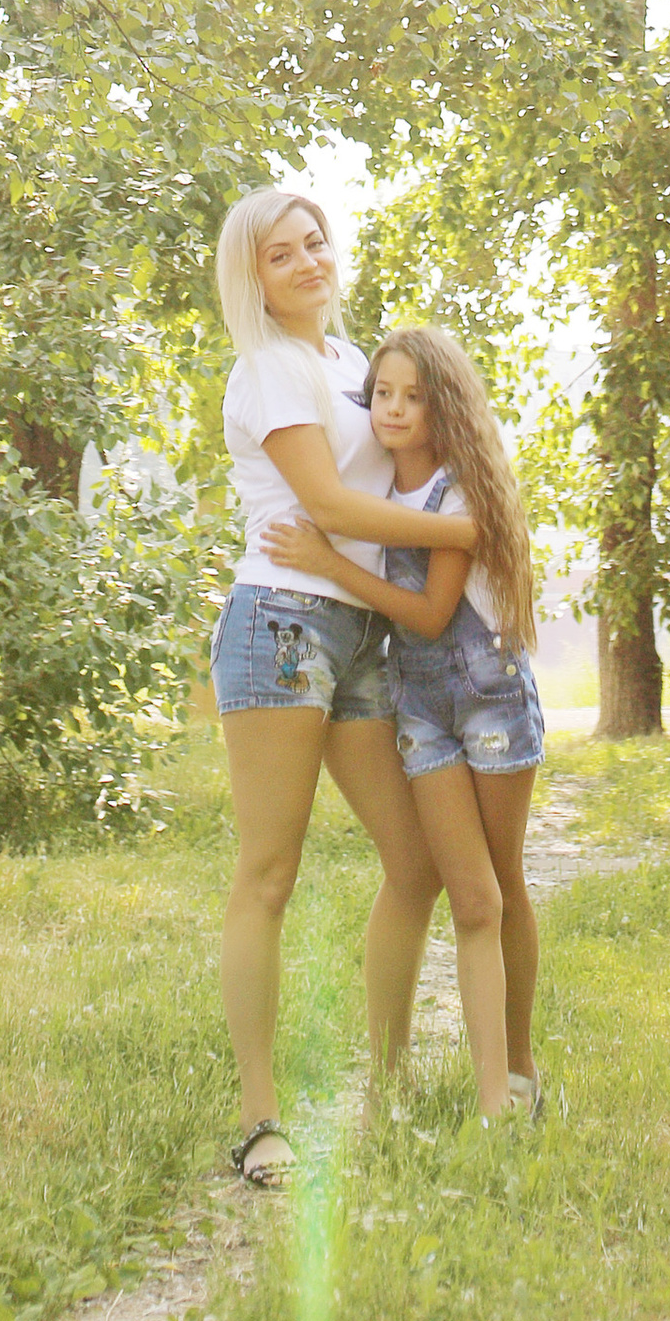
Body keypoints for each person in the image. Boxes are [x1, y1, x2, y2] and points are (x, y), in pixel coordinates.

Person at [208, 187, 492, 1192]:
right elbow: (326, 503)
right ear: (254, 277)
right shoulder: (269, 367)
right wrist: (471, 532)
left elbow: (395, 473)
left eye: (314, 242)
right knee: (269, 873)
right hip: (279, 627)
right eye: (281, 254)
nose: (307, 261)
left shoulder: (349, 363)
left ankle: (388, 1092)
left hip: (360, 626)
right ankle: (258, 1121)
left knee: (414, 865)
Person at [270, 321, 546, 1125]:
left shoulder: (459, 492)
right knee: (471, 900)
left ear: (444, 407)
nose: (392, 408)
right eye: (381, 393)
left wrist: (329, 563)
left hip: (488, 696)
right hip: (421, 708)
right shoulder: (371, 497)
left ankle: (519, 1071)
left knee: (505, 883)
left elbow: (428, 616)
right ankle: (491, 1099)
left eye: (412, 396)